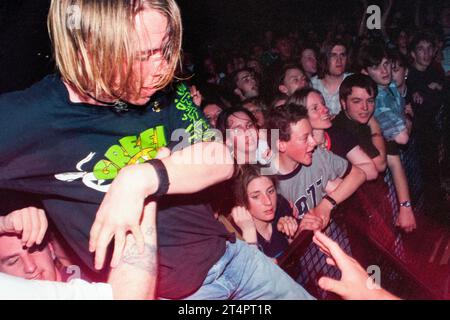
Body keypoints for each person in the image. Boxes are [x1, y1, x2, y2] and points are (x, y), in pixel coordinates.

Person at [0, 0, 316, 300]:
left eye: (165, 49)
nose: (162, 67)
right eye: (144, 55)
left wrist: (140, 179)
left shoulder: (162, 89)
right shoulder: (25, 119)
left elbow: (220, 158)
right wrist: (12, 204)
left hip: (235, 259)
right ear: (87, 50)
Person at [0, 202, 158, 300]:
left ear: (50, 249)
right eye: (13, 261)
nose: (30, 267)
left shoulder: (102, 269)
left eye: (33, 250)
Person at [336, 74, 416, 232]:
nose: (365, 108)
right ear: (343, 103)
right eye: (356, 101)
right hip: (354, 215)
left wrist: (405, 207)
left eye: (370, 101)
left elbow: (395, 161)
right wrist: (376, 127)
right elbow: (380, 165)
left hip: (380, 204)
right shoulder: (341, 129)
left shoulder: (369, 120)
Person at [266, 104, 366, 229]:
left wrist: (327, 204)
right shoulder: (267, 181)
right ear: (281, 145)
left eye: (311, 135)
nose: (313, 142)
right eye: (304, 138)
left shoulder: (316, 154)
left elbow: (359, 174)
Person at [230, 164, 322, 260]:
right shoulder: (236, 235)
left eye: (270, 191)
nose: (268, 202)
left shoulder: (281, 205)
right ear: (242, 202)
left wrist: (294, 234)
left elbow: (296, 261)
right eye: (256, 196)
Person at [286, 88, 378, 181]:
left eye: (323, 104)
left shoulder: (338, 134)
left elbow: (371, 171)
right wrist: (352, 175)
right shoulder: (302, 151)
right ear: (301, 116)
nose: (325, 109)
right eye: (315, 108)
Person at [311, 39, 351, 116]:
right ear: (324, 59)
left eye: (342, 55)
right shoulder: (312, 85)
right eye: (333, 55)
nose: (339, 60)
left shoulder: (354, 81)